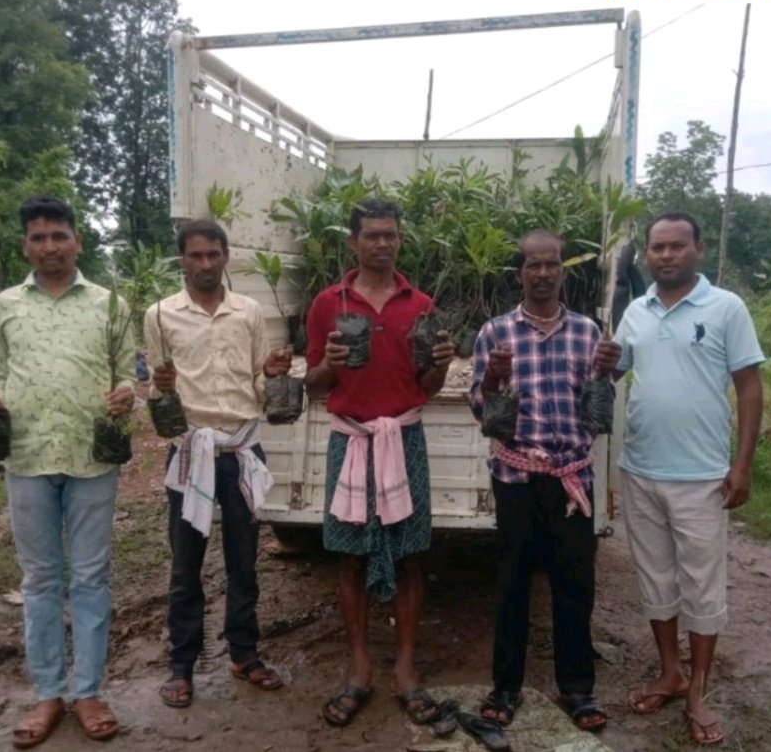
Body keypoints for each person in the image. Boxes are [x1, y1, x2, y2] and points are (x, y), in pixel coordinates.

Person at [0, 196, 135, 748]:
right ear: (26, 245)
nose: (49, 247)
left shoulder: (109, 305)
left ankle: (87, 691)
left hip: (92, 458)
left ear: (77, 241)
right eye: (38, 238)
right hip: (27, 456)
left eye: (58, 236)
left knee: (91, 578)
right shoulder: (5, 305)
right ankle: (48, 693)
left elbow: (126, 374)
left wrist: (126, 394)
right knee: (40, 581)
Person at [613, 212, 764, 746]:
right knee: (656, 579)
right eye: (657, 247)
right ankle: (670, 672)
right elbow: (612, 369)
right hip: (640, 469)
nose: (667, 255)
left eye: (678, 246)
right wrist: (604, 360)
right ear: (648, 254)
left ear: (698, 249)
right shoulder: (635, 311)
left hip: (702, 475)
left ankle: (698, 688)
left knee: (702, 583)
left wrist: (741, 464)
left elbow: (749, 386)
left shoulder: (727, 308)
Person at [305, 198, 456, 727]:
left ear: (399, 239)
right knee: (348, 555)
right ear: (353, 241)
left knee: (411, 553)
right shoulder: (328, 303)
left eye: (390, 234)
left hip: (404, 439)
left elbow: (429, 388)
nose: (382, 243)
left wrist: (440, 365)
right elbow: (312, 385)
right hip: (350, 442)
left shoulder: (421, 304)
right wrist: (328, 363)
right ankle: (360, 669)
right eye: (371, 235)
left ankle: (407, 670)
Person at [469, 230, 620, 733]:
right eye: (533, 265)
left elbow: (598, 409)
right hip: (515, 476)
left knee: (574, 585)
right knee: (512, 584)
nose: (542, 273)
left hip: (572, 478)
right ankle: (505, 687)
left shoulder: (588, 333)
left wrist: (609, 373)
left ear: (562, 271)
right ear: (520, 274)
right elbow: (482, 411)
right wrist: (492, 378)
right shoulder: (495, 333)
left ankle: (577, 688)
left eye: (551, 264)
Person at [145, 218, 293, 709]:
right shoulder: (161, 315)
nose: (205, 264)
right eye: (195, 256)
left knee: (244, 559)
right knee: (186, 563)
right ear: (181, 260)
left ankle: (244, 652)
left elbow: (257, 384)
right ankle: (183, 664)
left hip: (243, 450)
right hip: (191, 453)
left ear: (226, 256)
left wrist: (271, 376)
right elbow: (156, 391)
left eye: (213, 254)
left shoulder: (248, 312)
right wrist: (160, 388)